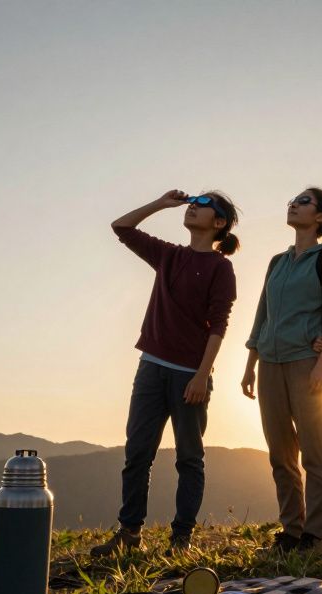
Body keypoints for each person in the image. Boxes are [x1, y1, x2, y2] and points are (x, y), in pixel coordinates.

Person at [93, 189, 239, 556]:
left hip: (190, 375)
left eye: (203, 204)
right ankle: (129, 532)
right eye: (193, 202)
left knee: (189, 458)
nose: (193, 207)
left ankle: (181, 538)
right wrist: (160, 204)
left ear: (219, 222)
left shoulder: (221, 268)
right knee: (137, 453)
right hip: (151, 367)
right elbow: (121, 227)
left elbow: (219, 325)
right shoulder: (169, 255)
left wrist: (202, 375)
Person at [242, 188, 322, 555]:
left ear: (321, 217)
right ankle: (291, 531)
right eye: (293, 200)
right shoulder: (277, 262)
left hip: (307, 362)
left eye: (303, 201)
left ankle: (314, 536)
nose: (293, 204)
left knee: (314, 451)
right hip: (269, 364)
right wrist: (250, 364)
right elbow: (262, 313)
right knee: (280, 453)